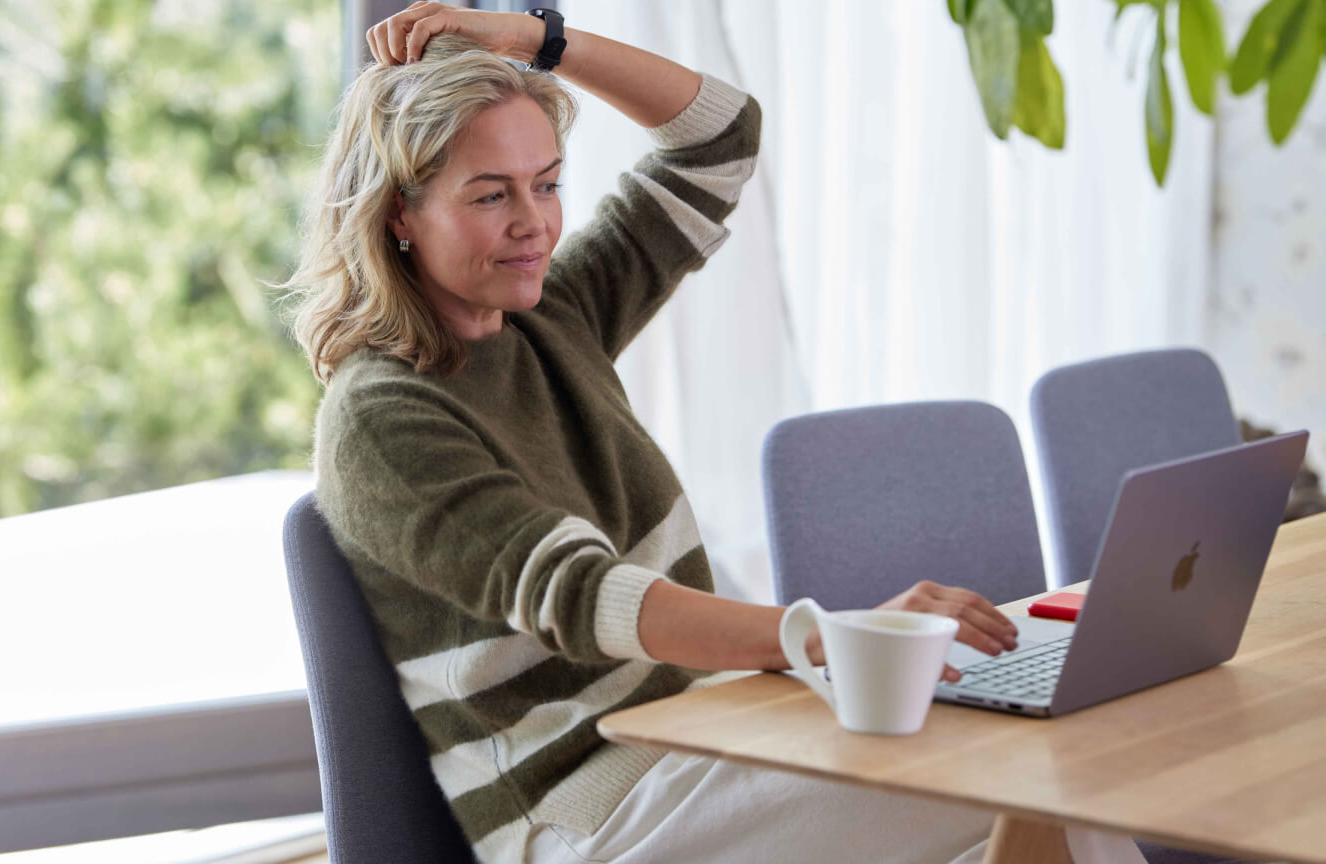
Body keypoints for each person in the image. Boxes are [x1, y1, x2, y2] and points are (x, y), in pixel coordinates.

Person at [285, 5, 1145, 862]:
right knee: (1036, 775)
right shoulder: (378, 416)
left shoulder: (553, 318)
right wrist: (831, 638)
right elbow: (586, 598)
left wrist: (538, 41)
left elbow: (719, 139)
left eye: (546, 183)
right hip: (595, 817)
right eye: (490, 195)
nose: (534, 224)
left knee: (1039, 805)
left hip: (709, 738)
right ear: (399, 212)